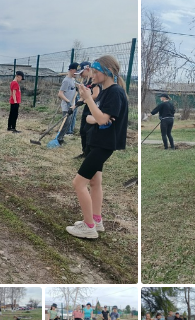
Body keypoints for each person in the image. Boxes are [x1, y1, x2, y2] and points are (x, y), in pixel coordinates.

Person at [66, 56, 129, 239]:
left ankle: (88, 227)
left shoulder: (115, 92)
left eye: (95, 71)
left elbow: (102, 119)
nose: (91, 75)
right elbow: (101, 117)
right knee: (95, 182)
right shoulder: (105, 91)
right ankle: (96, 220)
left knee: (78, 183)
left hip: (104, 144)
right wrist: (93, 114)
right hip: (97, 142)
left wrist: (88, 100)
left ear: (107, 72)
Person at [73, 62, 101, 159]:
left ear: (88, 69)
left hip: (93, 108)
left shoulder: (95, 81)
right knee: (82, 131)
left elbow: (96, 95)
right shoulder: (86, 82)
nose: (80, 75)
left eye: (81, 72)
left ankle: (89, 154)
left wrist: (84, 100)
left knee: (89, 131)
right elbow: (83, 96)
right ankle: (84, 152)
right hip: (87, 107)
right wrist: (74, 106)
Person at [57, 62, 79, 137]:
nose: (77, 73)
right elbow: (60, 93)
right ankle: (59, 138)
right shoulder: (66, 81)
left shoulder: (72, 79)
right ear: (72, 70)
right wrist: (68, 102)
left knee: (68, 123)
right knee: (65, 123)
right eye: (76, 71)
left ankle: (61, 138)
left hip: (71, 105)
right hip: (66, 106)